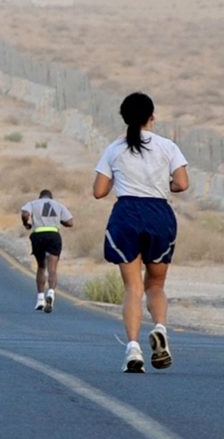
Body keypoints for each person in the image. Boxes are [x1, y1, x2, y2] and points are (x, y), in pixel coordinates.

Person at [93, 92, 189, 374]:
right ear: (152, 117)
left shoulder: (114, 149)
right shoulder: (167, 146)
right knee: (156, 286)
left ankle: (133, 348)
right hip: (159, 214)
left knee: (133, 288)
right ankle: (160, 328)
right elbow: (182, 183)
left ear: (124, 118)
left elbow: (98, 191)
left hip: (126, 214)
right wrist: (162, 185)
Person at [20, 190, 74, 313]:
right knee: (52, 269)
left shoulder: (33, 203)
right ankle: (51, 293)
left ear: (40, 197)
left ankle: (40, 299)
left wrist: (26, 224)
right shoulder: (58, 205)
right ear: (51, 198)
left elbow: (25, 214)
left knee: (41, 266)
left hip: (38, 235)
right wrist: (59, 221)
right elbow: (70, 222)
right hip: (53, 235)